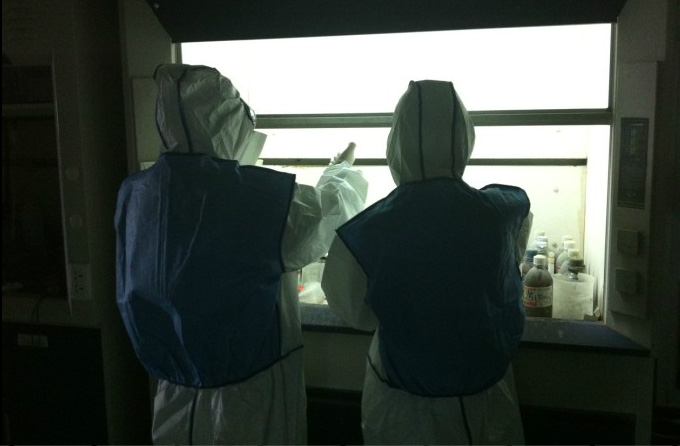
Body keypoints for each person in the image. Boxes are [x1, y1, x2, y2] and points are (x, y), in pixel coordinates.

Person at [114, 64, 367, 444]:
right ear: (229, 124)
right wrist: (341, 169)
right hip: (249, 390)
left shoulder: (136, 192)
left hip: (172, 390)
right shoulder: (254, 196)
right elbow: (328, 215)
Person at [322, 80, 533, 444]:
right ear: (464, 139)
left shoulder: (368, 230)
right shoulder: (503, 210)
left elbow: (354, 311)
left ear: (396, 143)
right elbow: (509, 263)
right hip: (487, 397)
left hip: (403, 403)